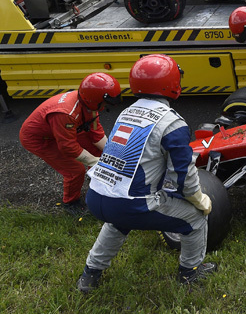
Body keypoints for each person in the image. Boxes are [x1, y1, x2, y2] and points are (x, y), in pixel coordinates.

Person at [76, 54, 215, 293]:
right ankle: (190, 274)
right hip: (131, 204)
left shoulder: (127, 112)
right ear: (172, 83)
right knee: (195, 218)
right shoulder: (172, 123)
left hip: (97, 196)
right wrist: (200, 200)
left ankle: (90, 274)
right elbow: (182, 177)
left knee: (117, 222)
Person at [19, 73, 121, 216]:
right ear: (94, 99)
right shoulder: (66, 113)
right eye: (105, 103)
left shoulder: (88, 103)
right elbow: (68, 146)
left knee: (100, 153)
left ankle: (97, 181)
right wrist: (96, 161)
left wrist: (112, 155)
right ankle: (70, 202)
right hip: (39, 138)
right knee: (75, 170)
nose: (105, 107)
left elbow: (95, 132)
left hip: (64, 130)